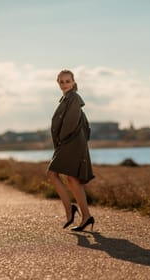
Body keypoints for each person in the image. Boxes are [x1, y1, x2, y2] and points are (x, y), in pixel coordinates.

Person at [47, 69, 95, 231]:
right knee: (71, 179)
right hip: (70, 143)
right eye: (61, 81)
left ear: (73, 82)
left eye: (67, 81)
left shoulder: (73, 98)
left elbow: (70, 124)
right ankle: (86, 216)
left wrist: (61, 143)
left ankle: (70, 209)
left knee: (52, 173)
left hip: (70, 143)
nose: (64, 84)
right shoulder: (66, 99)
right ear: (58, 83)